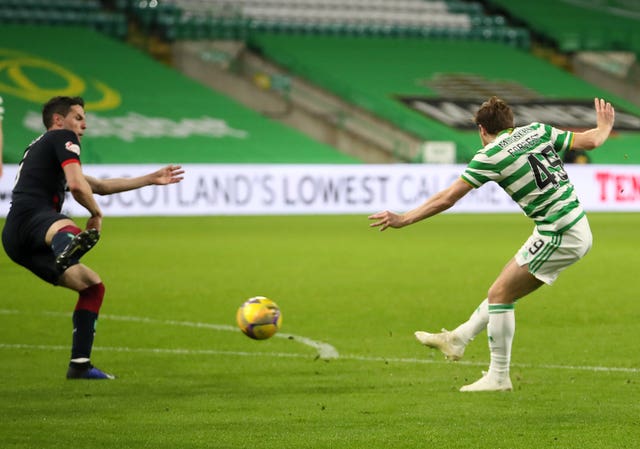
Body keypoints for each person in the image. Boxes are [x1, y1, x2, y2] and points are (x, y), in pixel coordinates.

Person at [368, 97, 615, 392]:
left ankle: (498, 377)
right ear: (510, 123)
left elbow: (448, 198)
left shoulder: (491, 155)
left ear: (483, 129)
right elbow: (590, 141)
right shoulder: (536, 131)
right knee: (503, 288)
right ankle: (457, 339)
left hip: (560, 232)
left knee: (500, 294)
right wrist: (603, 126)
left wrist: (404, 219)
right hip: (569, 224)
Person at [1, 96, 185, 380]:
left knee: (92, 287)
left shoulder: (41, 146)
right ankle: (68, 248)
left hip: (17, 239)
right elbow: (76, 187)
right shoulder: (62, 137)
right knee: (69, 229)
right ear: (58, 121)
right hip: (33, 220)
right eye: (78, 117)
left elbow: (95, 185)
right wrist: (96, 214)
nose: (84, 125)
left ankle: (80, 365)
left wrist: (150, 178)